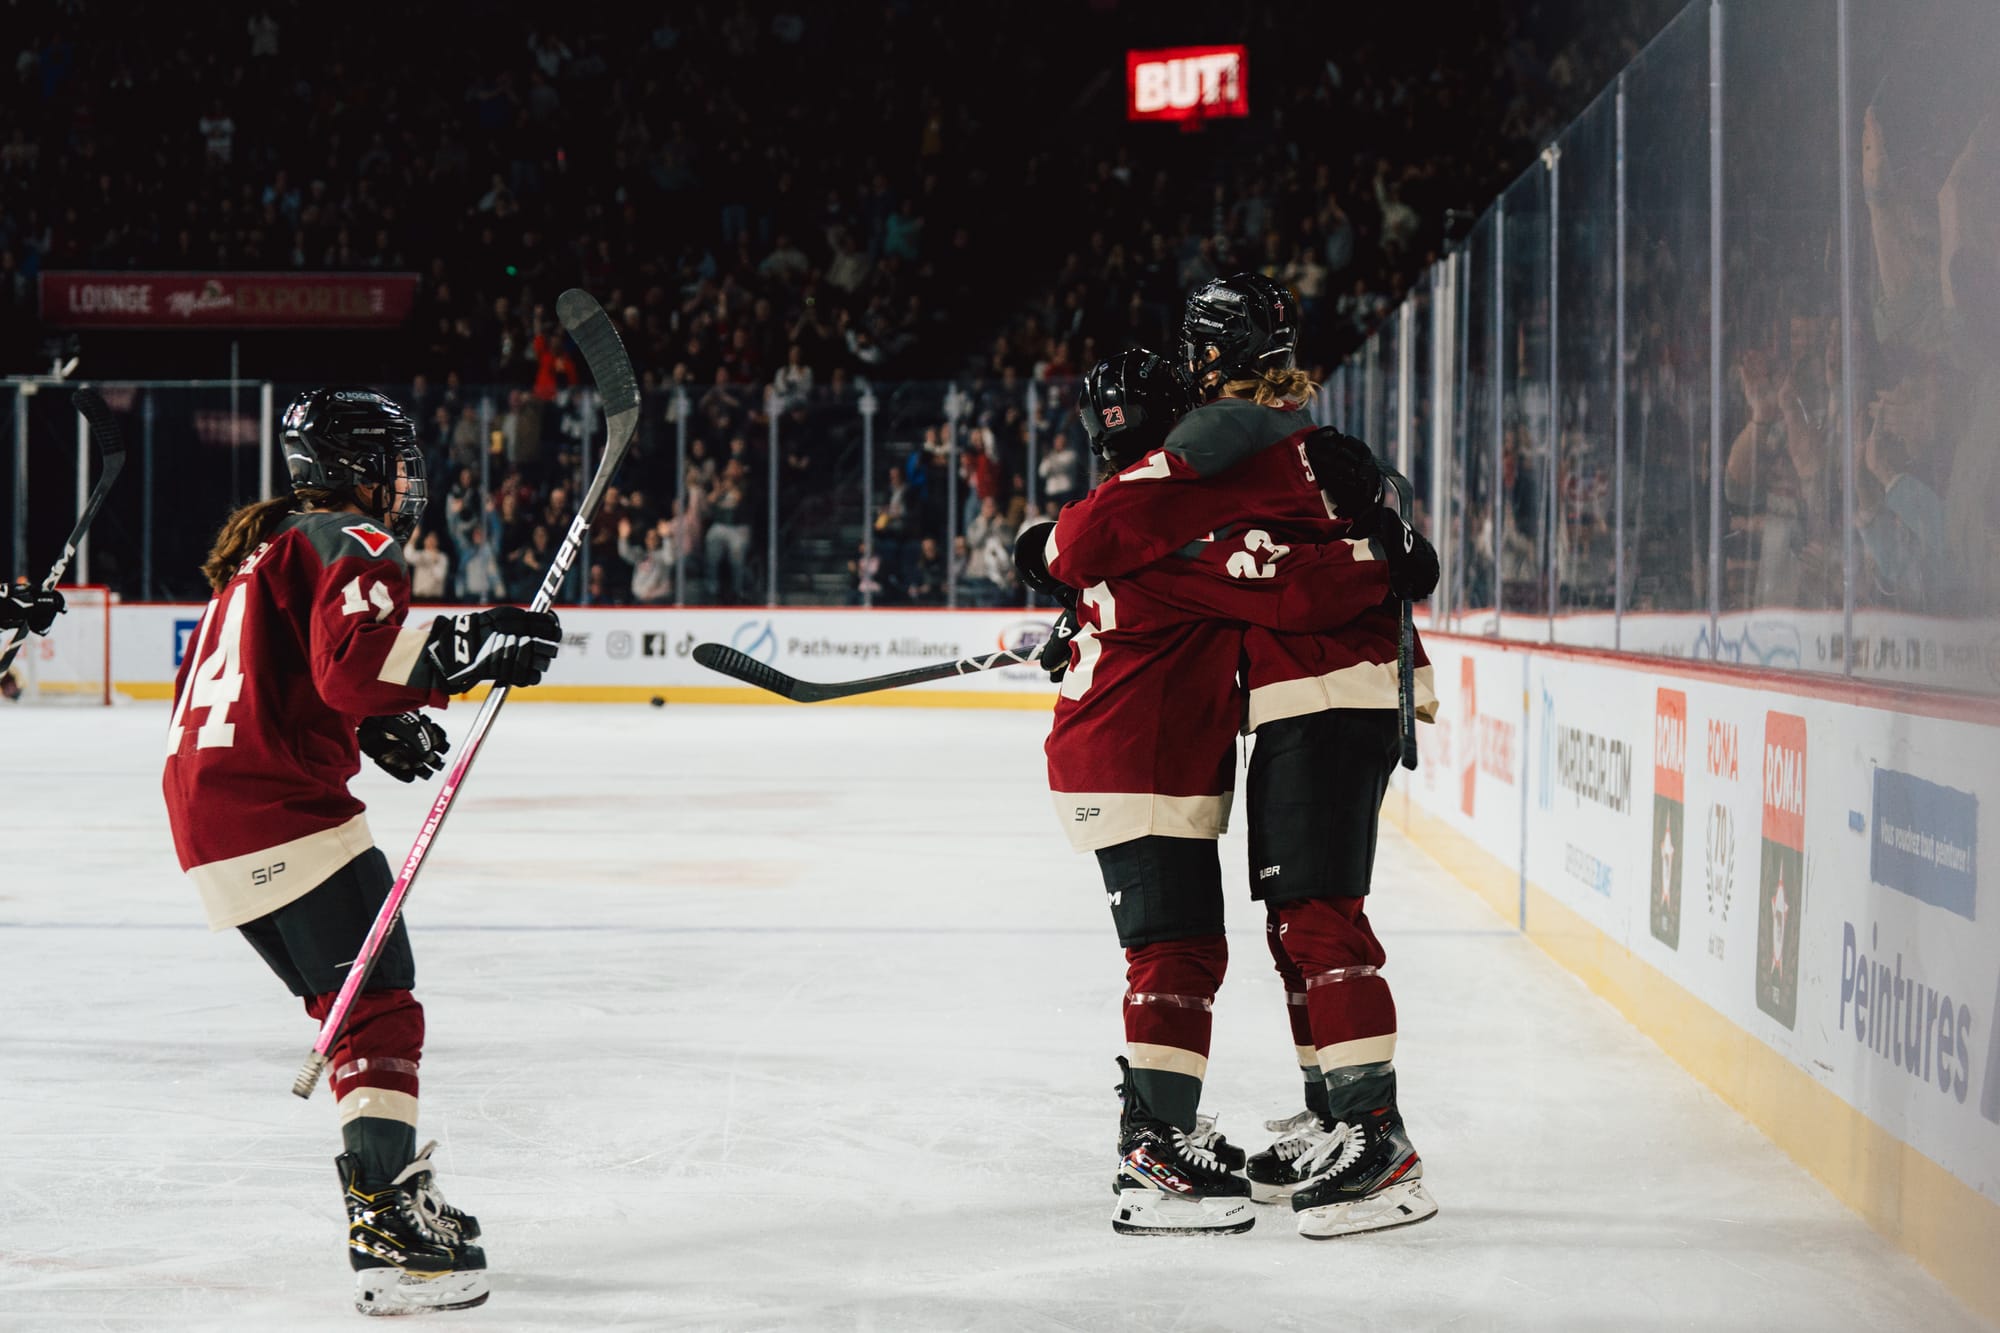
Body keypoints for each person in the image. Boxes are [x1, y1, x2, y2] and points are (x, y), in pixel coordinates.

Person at [1035, 275, 1441, 1240]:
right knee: (1278, 928)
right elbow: (1296, 573)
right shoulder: (1278, 442)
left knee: (1306, 922)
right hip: (1291, 703)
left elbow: (1107, 538)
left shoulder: (1220, 451)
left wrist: (1053, 547)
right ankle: (1333, 1121)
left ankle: (1372, 1141)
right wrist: (1396, 546)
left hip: (1320, 694)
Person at [161, 387, 560, 1315]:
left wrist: (377, 725)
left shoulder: (263, 550)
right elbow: (353, 660)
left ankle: (389, 1194)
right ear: (353, 466)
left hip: (209, 810)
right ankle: (385, 1224)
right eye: (392, 457)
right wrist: (473, 640)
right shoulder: (357, 538)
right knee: (377, 1003)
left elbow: (292, 674)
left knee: (359, 999)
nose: (404, 478)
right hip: (276, 807)